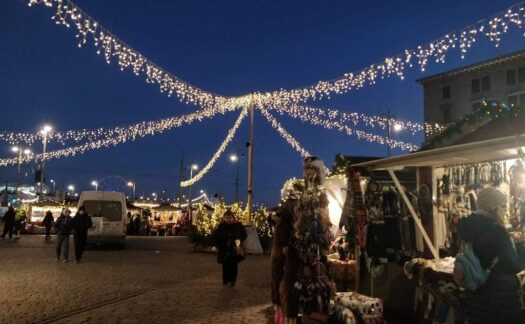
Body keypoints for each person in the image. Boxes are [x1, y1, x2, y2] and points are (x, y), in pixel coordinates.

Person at [457, 187, 525, 324]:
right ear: (494, 207)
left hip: (475, 293)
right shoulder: (497, 231)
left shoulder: (465, 225)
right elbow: (512, 265)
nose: (505, 210)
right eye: (503, 206)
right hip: (500, 298)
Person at [212, 209, 247, 287]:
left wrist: (239, 240)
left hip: (234, 249)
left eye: (230, 217)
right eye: (227, 217)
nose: (228, 219)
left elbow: (244, 235)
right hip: (224, 249)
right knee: (225, 266)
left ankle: (232, 281)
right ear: (224, 218)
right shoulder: (221, 226)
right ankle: (225, 281)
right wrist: (215, 245)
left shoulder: (238, 225)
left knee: (234, 266)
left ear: (233, 217)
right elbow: (216, 236)